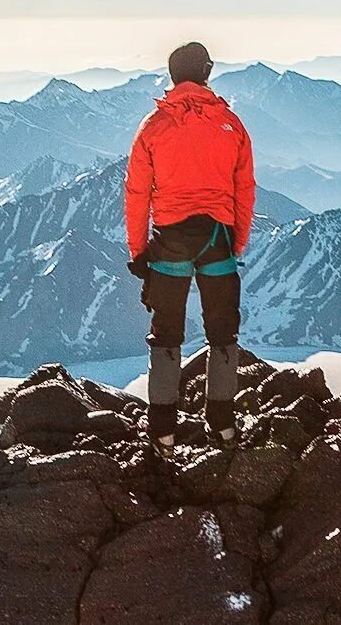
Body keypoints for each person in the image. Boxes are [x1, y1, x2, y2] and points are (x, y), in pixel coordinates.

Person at [125, 41, 255, 457]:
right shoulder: (231, 125)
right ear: (206, 73)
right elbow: (244, 189)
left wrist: (138, 250)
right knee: (223, 332)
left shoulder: (153, 127)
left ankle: (163, 433)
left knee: (165, 334)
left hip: (169, 242)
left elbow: (136, 193)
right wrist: (236, 241)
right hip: (217, 238)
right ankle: (223, 426)